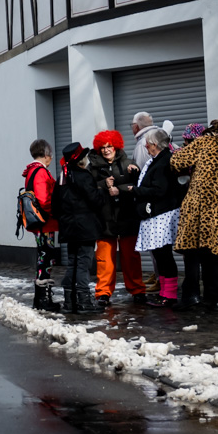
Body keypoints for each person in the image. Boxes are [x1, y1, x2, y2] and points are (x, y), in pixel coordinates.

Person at [169, 119, 218, 312]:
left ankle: (191, 295)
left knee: (192, 252)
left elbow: (177, 161)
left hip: (197, 206)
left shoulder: (202, 143)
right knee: (217, 255)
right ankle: (215, 299)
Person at [91, 130, 145, 306]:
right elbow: (88, 189)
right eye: (103, 147)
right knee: (105, 259)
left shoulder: (129, 163)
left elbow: (139, 186)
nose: (107, 150)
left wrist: (131, 177)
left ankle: (137, 290)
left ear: (116, 146)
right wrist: (102, 185)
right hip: (104, 218)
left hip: (127, 216)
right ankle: (103, 293)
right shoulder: (93, 168)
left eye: (110, 146)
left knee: (131, 257)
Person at [135, 127, 187, 308]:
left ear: (154, 145)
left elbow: (160, 190)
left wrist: (135, 190)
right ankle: (165, 292)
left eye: (147, 144)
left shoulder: (164, 161)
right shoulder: (159, 159)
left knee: (164, 255)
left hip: (162, 215)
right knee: (160, 255)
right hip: (158, 215)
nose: (146, 147)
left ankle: (170, 295)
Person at [53, 141, 107, 314]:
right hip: (85, 228)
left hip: (69, 229)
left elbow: (54, 207)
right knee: (83, 263)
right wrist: (103, 191)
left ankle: (70, 302)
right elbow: (95, 200)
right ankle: (84, 302)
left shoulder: (61, 178)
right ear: (81, 160)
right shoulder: (84, 176)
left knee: (73, 263)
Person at [21, 139, 61, 311]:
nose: (50, 159)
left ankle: (41, 298)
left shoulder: (30, 171)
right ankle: (43, 300)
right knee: (46, 256)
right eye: (50, 156)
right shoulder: (40, 172)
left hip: (38, 222)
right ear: (46, 155)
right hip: (45, 223)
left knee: (43, 256)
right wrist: (54, 212)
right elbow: (44, 199)